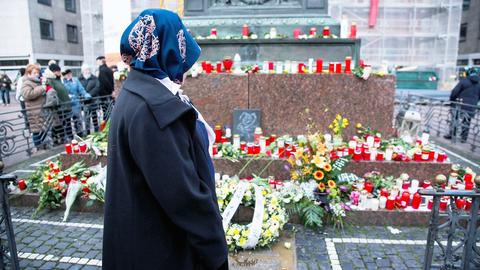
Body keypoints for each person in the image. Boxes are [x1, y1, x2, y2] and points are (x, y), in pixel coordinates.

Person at [103, 9, 228, 270]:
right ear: (170, 46)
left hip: (143, 238)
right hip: (161, 249)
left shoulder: (137, 91)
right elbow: (183, 196)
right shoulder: (153, 107)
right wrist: (216, 251)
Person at [444, 67, 480, 143]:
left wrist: (452, 100)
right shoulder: (479, 83)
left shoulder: (464, 81)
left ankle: (452, 135)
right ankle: (463, 138)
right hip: (471, 106)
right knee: (467, 121)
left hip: (459, 104)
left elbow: (455, 91)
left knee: (455, 119)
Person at [22, 64, 46, 149]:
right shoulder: (26, 83)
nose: (37, 74)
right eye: (34, 72)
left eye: (37, 72)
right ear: (28, 74)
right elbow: (28, 94)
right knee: (36, 132)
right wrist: (42, 88)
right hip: (34, 112)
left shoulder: (36, 82)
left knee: (43, 131)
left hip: (40, 111)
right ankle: (38, 148)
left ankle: (43, 146)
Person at [46, 63, 73, 143]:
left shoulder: (58, 79)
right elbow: (53, 94)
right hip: (59, 107)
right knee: (59, 124)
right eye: (58, 71)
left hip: (66, 105)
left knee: (66, 122)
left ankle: (67, 137)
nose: (60, 73)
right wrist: (60, 103)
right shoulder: (50, 80)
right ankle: (58, 140)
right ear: (53, 72)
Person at [63, 69, 91, 137]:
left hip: (76, 104)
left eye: (69, 73)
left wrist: (86, 94)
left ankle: (80, 135)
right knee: (68, 122)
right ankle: (70, 137)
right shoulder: (62, 82)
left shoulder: (75, 81)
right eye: (66, 74)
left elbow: (81, 89)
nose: (68, 75)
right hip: (67, 105)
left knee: (78, 121)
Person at [79, 64, 101, 134]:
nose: (87, 71)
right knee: (86, 118)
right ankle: (87, 132)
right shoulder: (80, 79)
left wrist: (90, 94)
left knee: (95, 117)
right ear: (83, 71)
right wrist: (84, 95)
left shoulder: (94, 78)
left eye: (88, 69)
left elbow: (97, 87)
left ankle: (96, 130)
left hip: (93, 100)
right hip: (85, 101)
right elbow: (79, 88)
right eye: (85, 70)